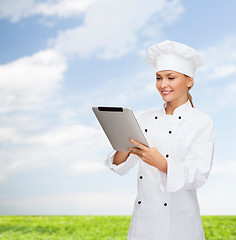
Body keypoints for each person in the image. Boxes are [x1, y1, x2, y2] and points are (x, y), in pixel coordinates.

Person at [104, 40, 215, 240]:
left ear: (189, 81)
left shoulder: (201, 122)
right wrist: (123, 143)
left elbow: (199, 175)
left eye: (171, 78)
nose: (163, 85)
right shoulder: (144, 118)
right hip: (144, 223)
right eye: (158, 78)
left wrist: (162, 163)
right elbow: (120, 166)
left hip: (180, 224)